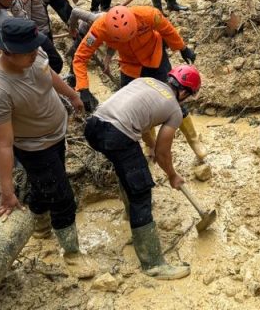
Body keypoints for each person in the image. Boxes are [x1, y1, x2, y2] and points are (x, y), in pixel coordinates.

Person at [0, 19, 93, 276]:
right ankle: (73, 253)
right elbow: (4, 145)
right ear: (7, 51)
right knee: (63, 197)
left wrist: (72, 95)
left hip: (56, 134)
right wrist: (6, 192)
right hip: (34, 147)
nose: (35, 53)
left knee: (47, 186)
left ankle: (40, 225)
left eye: (35, 48)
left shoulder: (34, 52)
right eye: (29, 52)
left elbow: (49, 74)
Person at [83, 66, 201, 280]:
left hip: (93, 125)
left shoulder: (145, 81)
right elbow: (165, 153)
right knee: (141, 191)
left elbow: (143, 120)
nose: (185, 101)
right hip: (117, 134)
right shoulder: (174, 109)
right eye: (188, 97)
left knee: (126, 170)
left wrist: (152, 145)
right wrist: (172, 175)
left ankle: (130, 216)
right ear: (184, 93)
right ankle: (153, 264)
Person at [71, 5, 205, 160]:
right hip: (130, 66)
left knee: (173, 99)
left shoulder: (148, 14)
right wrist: (83, 87)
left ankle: (193, 140)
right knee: (137, 106)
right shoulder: (99, 29)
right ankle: (150, 143)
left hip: (155, 58)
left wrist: (182, 47)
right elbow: (80, 58)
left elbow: (166, 29)